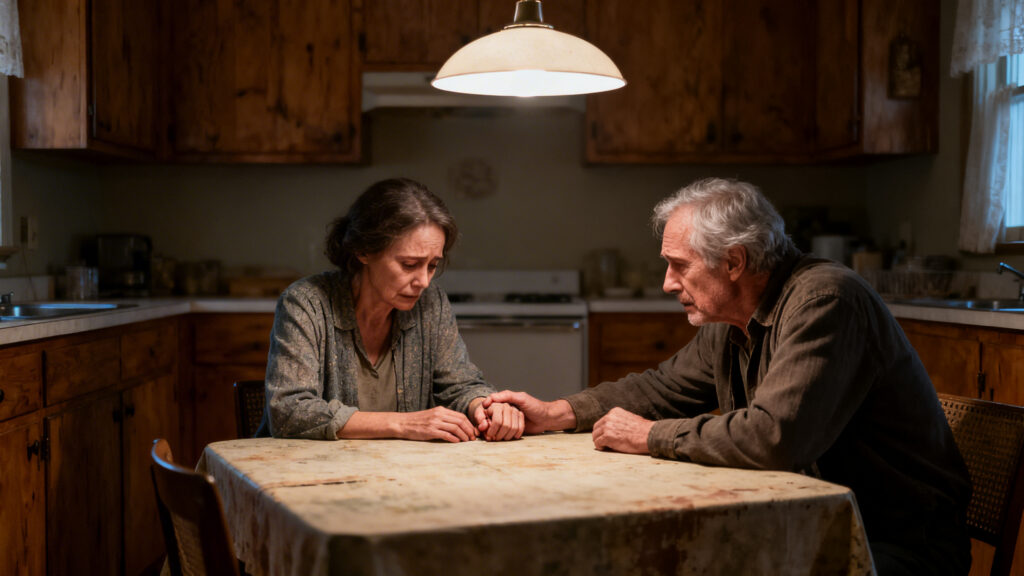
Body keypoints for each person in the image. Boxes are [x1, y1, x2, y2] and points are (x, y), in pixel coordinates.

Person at [487, 177, 971, 574]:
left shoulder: (826, 301)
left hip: (888, 543)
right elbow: (662, 387)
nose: (667, 283)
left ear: (734, 262)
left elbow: (774, 438)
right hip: (802, 521)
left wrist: (650, 436)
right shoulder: (732, 317)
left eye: (679, 266)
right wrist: (556, 412)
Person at [265, 177, 524, 442]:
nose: (423, 282)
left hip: (399, 466)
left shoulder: (431, 303)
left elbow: (461, 385)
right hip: (313, 466)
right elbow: (289, 411)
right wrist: (404, 424)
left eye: (432, 266)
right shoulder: (306, 303)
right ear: (363, 251)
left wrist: (485, 406)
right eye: (409, 264)